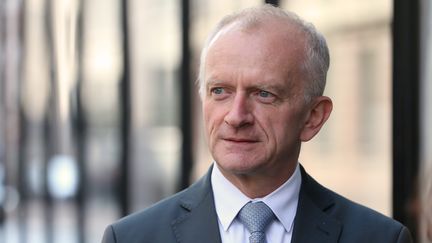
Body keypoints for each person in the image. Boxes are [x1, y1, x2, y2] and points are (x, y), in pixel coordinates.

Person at [102, 4, 412, 243]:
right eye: (220, 91)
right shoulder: (131, 238)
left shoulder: (379, 238)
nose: (236, 116)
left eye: (264, 94)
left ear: (313, 117)